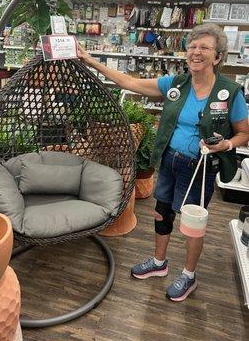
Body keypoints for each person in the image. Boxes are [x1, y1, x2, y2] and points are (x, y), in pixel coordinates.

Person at [77, 23, 249, 302]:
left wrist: (227, 144)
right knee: (162, 213)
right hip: (169, 161)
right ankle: (159, 262)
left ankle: (189, 276)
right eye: (192, 46)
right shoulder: (176, 84)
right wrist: (89, 60)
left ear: (217, 57)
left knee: (192, 225)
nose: (196, 51)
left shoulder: (229, 92)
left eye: (204, 47)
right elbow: (129, 82)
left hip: (199, 167)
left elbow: (244, 133)